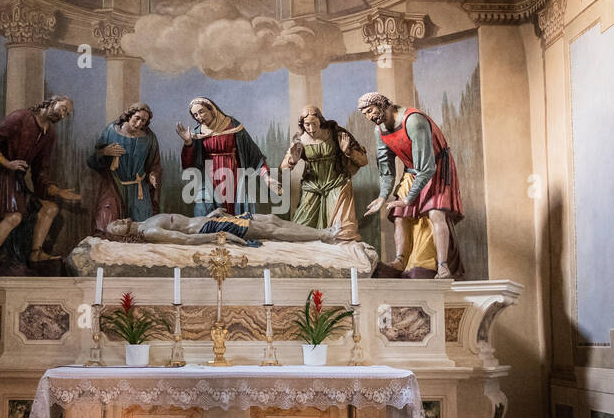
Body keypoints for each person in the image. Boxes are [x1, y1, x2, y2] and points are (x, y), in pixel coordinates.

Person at [358, 91, 466, 279]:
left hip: (435, 168)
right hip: (412, 170)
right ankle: (400, 260)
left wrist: (409, 199)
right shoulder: (380, 130)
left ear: (382, 104)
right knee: (399, 215)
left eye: (370, 110)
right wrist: (383, 196)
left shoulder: (413, 120)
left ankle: (443, 267)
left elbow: (426, 167)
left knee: (435, 213)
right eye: (365, 114)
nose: (369, 117)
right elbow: (386, 169)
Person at [0, 96, 81, 276]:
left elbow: (40, 171)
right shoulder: (21, 117)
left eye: (66, 114)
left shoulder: (49, 133)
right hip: (1, 177)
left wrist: (57, 191)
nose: (63, 115)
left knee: (50, 208)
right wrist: (8, 163)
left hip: (18, 181)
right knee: (14, 217)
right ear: (51, 102)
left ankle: (35, 254)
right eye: (62, 109)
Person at [175, 97, 281, 216]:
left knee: (237, 212)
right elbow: (188, 165)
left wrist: (266, 177)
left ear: (212, 110)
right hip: (211, 178)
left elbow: (255, 156)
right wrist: (188, 143)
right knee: (210, 212)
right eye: (195, 115)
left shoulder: (233, 126)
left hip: (234, 175)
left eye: (201, 111)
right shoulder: (197, 133)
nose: (199, 117)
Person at [281, 104, 367, 241]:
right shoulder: (299, 140)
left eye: (314, 123)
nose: (311, 129)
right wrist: (292, 160)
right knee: (300, 231)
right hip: (312, 188)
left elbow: (363, 160)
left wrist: (348, 151)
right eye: (307, 124)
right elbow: (284, 167)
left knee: (342, 232)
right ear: (302, 124)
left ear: (321, 120)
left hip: (337, 185)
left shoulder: (336, 134)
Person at [87, 103, 161, 231]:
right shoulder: (111, 131)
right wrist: (105, 152)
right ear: (129, 115)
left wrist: (153, 174)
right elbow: (92, 160)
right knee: (108, 224)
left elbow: (154, 164)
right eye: (136, 118)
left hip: (139, 190)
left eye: (143, 120)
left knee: (142, 228)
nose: (139, 123)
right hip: (114, 186)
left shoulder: (149, 137)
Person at [105, 210, 341, 247]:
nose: (117, 223)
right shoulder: (149, 232)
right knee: (270, 230)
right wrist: (220, 234)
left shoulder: (146, 220)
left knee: (271, 217)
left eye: (115, 221)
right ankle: (323, 235)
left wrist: (210, 214)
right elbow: (186, 239)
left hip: (212, 218)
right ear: (121, 235)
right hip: (213, 226)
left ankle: (322, 231)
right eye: (114, 228)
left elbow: (186, 220)